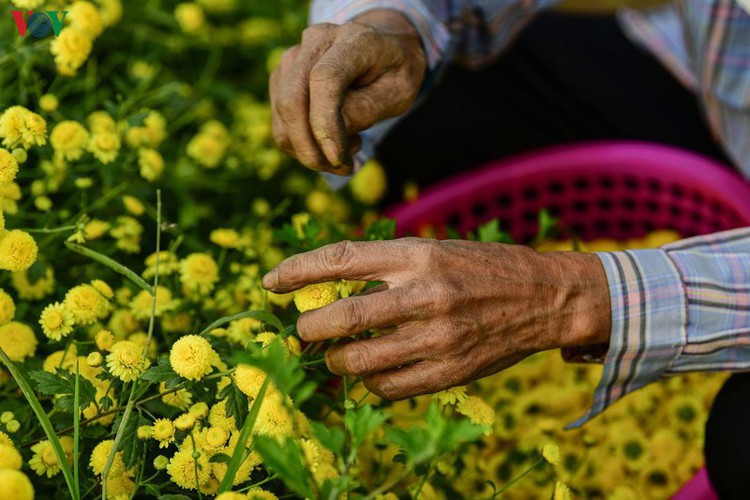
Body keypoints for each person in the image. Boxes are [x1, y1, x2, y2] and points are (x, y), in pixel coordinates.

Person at [264, 1, 750, 496]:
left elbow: (578, 298)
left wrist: (574, 298)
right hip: (707, 83)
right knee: (421, 101)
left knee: (742, 441)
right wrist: (393, 27)